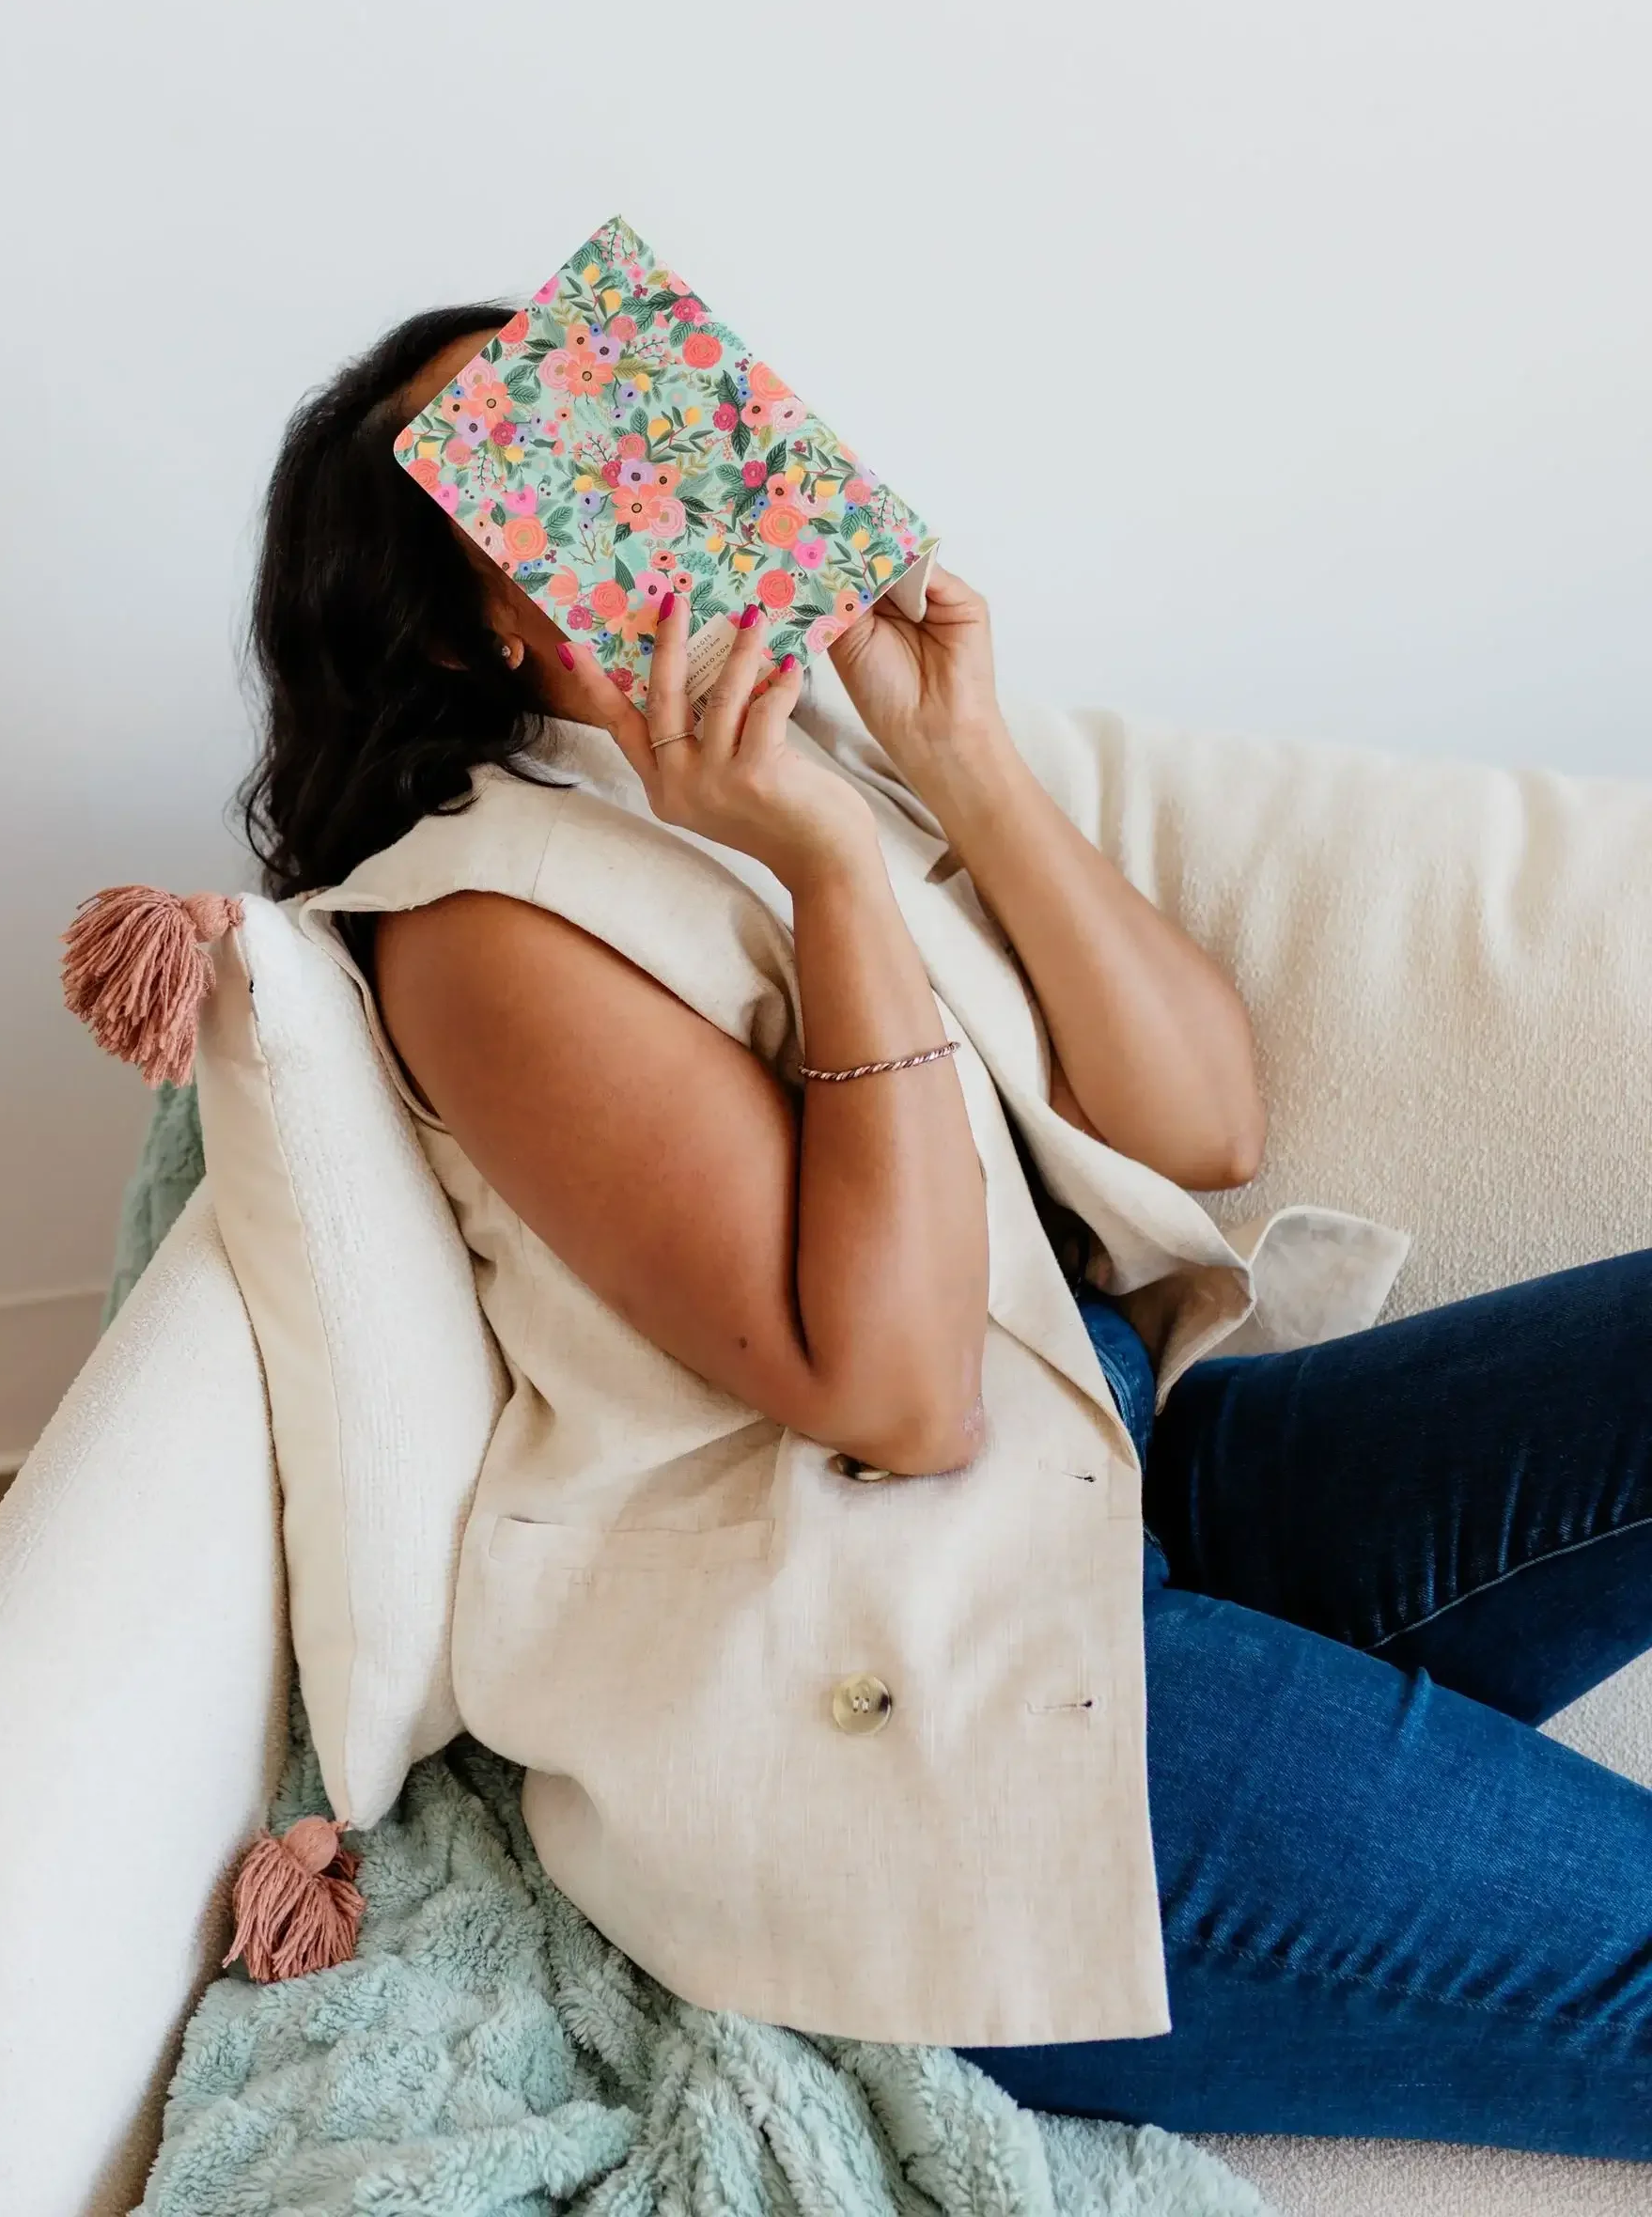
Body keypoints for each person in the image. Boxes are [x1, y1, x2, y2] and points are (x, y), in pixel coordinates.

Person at [239, 303, 1652, 2157]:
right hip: (909, 1686)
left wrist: (956, 755)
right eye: (548, 457)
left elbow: (1198, 1120)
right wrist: (828, 873)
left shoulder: (809, 752)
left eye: (639, 417)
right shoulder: (479, 927)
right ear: (467, 624)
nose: (639, 470)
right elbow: (899, 1398)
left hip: (1130, 1478)